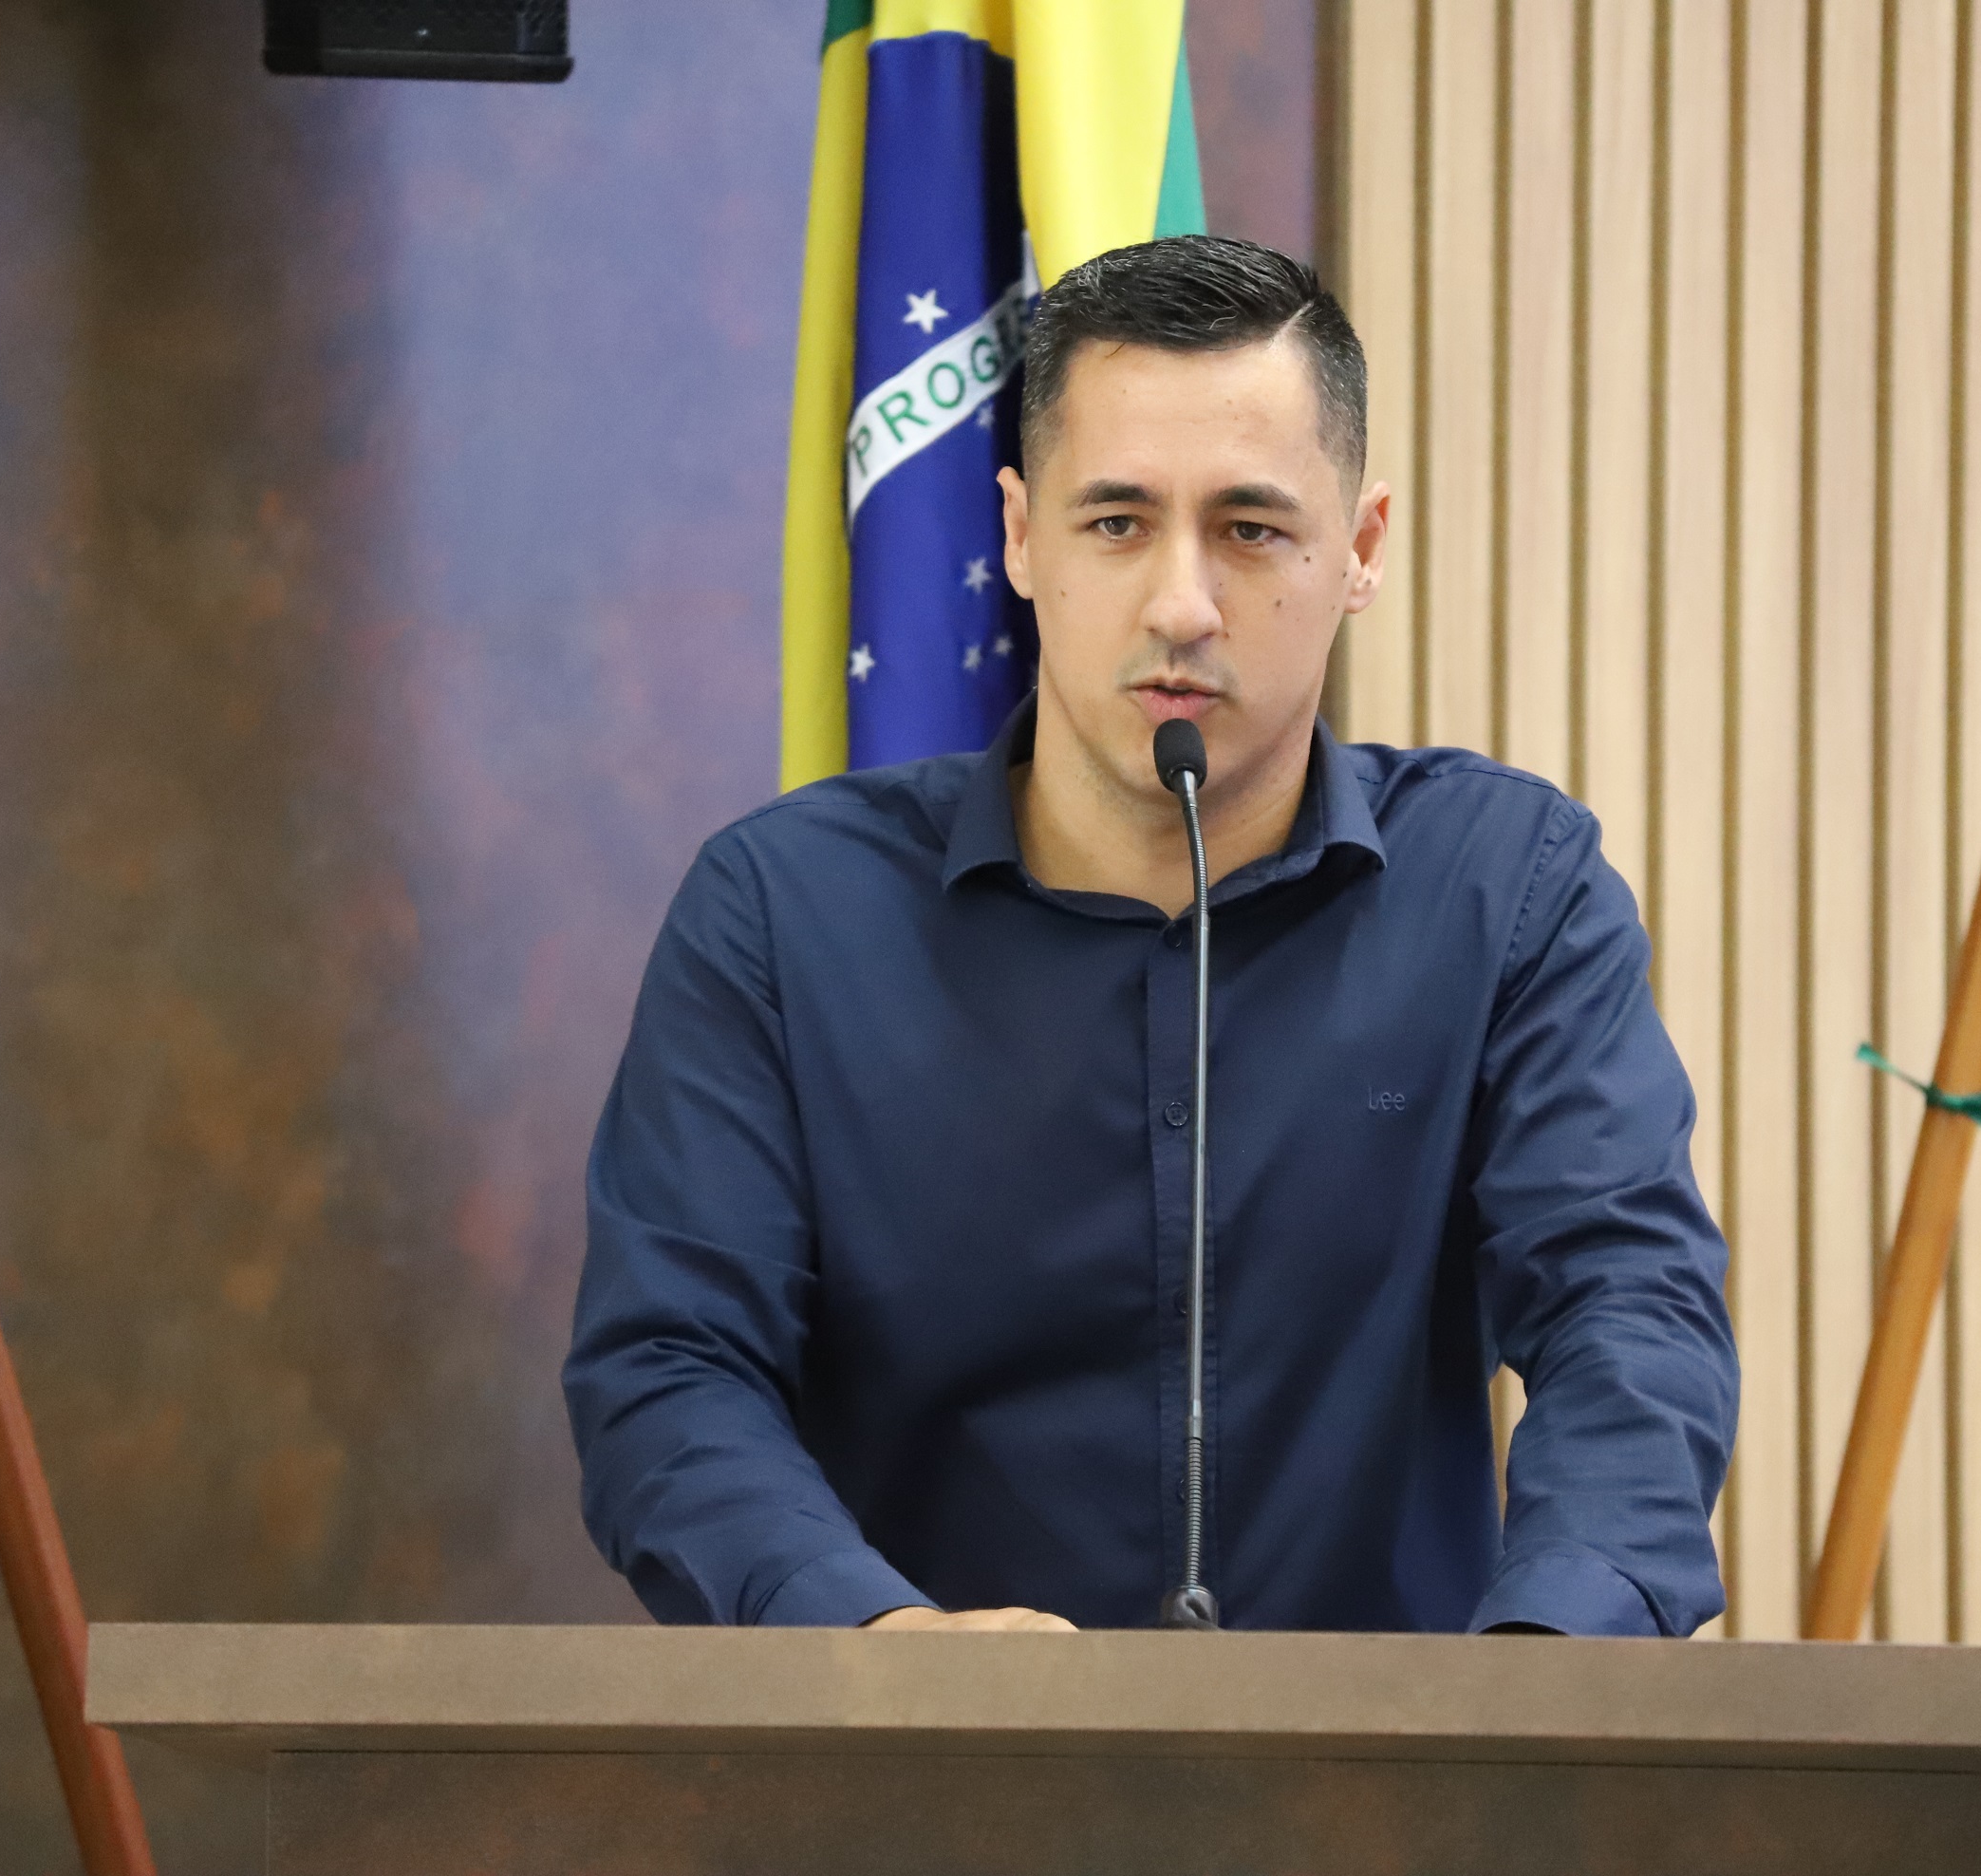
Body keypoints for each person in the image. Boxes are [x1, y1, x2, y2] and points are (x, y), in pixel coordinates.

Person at [565, 235, 1736, 1636]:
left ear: (1359, 551)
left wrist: (1551, 1662)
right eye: (1117, 523)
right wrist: (874, 1644)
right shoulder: (781, 914)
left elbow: (1627, 1309)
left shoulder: (1507, 891)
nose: (1182, 605)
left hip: (1394, 1760)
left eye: (1250, 529)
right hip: (918, 1748)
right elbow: (672, 1367)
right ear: (1018, 535)